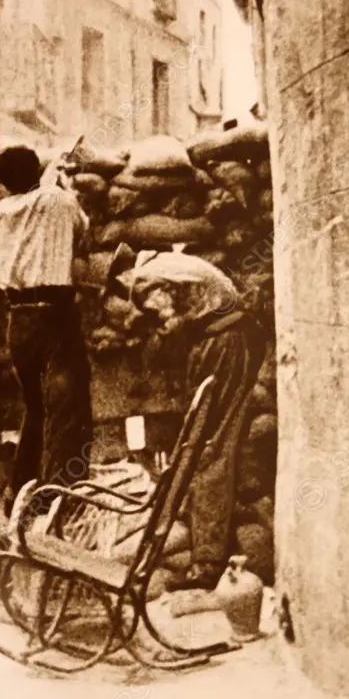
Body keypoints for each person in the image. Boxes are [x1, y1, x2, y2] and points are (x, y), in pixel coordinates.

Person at [107, 243, 266, 591]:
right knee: (209, 446)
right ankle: (202, 540)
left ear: (124, 275)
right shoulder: (171, 265)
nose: (130, 298)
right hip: (228, 337)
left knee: (209, 450)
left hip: (225, 342)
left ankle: (207, 562)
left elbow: (170, 320)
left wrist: (150, 336)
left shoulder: (146, 280)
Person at [0, 146, 93, 512]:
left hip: (19, 319)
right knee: (67, 406)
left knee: (35, 407)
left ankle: (23, 488)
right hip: (56, 315)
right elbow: (83, 232)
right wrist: (63, 184)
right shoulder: (59, 201)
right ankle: (59, 495)